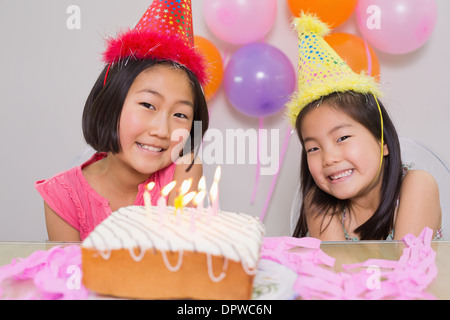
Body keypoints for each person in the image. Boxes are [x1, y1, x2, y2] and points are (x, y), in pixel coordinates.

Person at [35, 0, 209, 241]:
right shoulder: (63, 194)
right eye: (148, 105)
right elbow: (68, 276)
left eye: (180, 115)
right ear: (110, 105)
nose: (162, 130)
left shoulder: (184, 170)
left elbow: (180, 262)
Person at [287, 13, 442, 241]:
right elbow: (336, 272)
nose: (328, 158)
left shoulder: (418, 185)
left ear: (384, 142)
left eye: (342, 138)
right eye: (313, 148)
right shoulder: (319, 204)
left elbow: (408, 273)